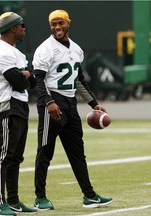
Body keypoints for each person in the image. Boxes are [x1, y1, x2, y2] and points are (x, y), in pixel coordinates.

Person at [32, 9, 113, 210]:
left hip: (70, 104)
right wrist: (49, 102)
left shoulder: (76, 49)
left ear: (68, 23)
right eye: (53, 24)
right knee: (45, 152)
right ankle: (40, 197)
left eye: (61, 23)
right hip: (52, 104)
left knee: (78, 153)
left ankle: (89, 195)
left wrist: (94, 104)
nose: (57, 27)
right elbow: (38, 81)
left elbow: (78, 80)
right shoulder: (45, 49)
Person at [0, 12, 37, 216]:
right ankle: (0, 203)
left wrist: (26, 75)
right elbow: (19, 82)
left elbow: (31, 81)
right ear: (12, 29)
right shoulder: (1, 52)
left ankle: (14, 200)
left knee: (16, 156)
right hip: (6, 105)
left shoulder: (15, 52)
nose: (24, 29)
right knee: (4, 155)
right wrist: (25, 75)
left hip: (20, 104)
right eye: (21, 25)